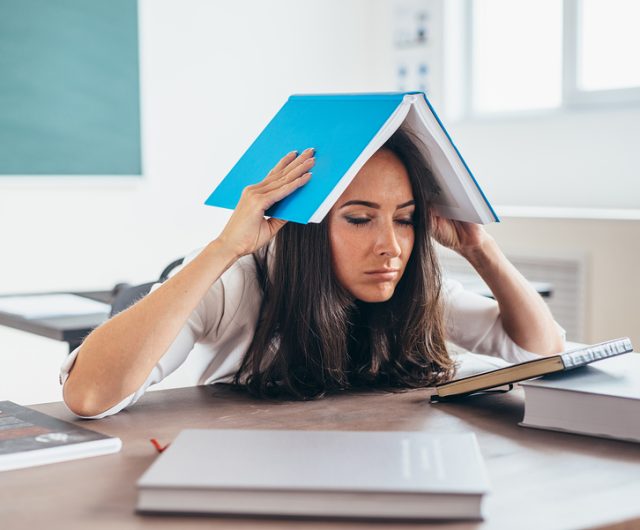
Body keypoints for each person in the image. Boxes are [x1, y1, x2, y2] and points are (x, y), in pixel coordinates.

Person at [61, 128, 565, 418]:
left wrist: (482, 249)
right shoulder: (236, 285)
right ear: (309, 223)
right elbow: (89, 397)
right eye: (360, 219)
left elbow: (539, 350)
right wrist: (220, 250)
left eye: (406, 219)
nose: (390, 246)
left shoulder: (413, 286)